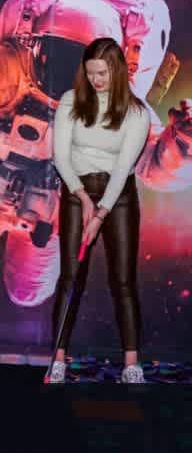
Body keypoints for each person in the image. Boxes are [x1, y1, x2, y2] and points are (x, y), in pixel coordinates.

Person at [49, 37, 150, 384]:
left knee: (122, 280)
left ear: (117, 70)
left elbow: (123, 169)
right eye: (91, 73)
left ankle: (132, 365)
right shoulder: (70, 101)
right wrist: (84, 200)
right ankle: (58, 359)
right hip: (78, 192)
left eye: (102, 73)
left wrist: (102, 212)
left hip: (118, 197)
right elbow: (60, 156)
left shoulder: (136, 113)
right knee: (70, 277)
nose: (96, 80)